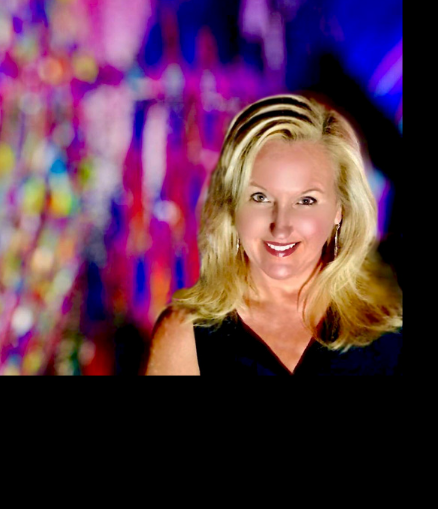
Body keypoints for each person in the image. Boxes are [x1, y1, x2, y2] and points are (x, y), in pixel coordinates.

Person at [145, 94, 402, 375]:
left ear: (339, 209)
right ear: (232, 203)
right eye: (260, 197)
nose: (281, 226)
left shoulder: (389, 329)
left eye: (306, 201)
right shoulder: (185, 335)